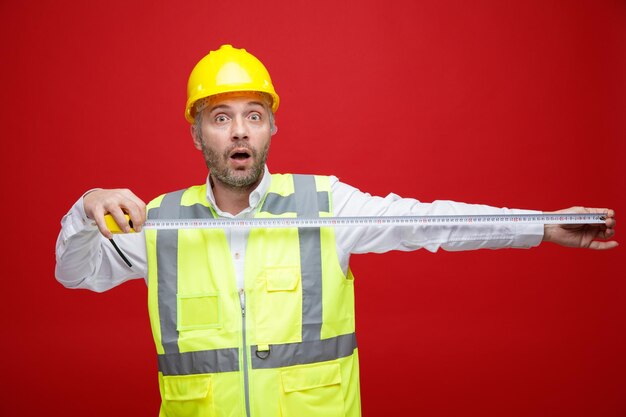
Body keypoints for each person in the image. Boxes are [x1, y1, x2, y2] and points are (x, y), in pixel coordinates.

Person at [55, 44, 617, 417]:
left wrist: (539, 226)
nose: (239, 131)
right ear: (197, 133)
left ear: (272, 125)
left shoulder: (326, 204)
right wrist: (85, 208)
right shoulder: (161, 220)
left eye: (253, 113)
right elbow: (74, 273)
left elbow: (429, 222)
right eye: (220, 117)